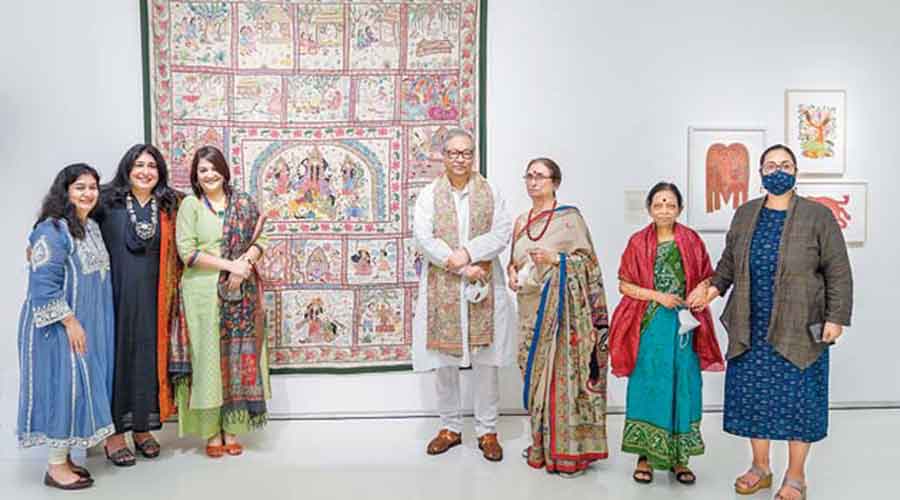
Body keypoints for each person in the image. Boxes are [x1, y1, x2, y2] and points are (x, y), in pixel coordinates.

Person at [697, 144, 853, 500]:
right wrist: (713, 289)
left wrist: (836, 318)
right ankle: (760, 467)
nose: (777, 170)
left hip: (802, 325)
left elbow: (838, 270)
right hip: (750, 324)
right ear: (761, 173)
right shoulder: (745, 213)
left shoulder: (818, 216)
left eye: (785, 164)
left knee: (801, 401)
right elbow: (729, 262)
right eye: (770, 165)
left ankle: (796, 476)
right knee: (755, 398)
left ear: (796, 172)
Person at [609, 182, 724, 485]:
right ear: (649, 208)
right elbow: (623, 284)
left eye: (670, 205)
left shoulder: (691, 240)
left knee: (683, 384)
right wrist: (658, 296)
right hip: (648, 324)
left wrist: (699, 290)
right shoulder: (637, 242)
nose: (664, 210)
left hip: (684, 326)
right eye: (658, 204)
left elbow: (707, 276)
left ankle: (679, 458)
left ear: (679, 209)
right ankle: (644, 456)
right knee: (649, 383)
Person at [412, 128, 515, 462]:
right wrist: (458, 266)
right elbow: (424, 237)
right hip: (444, 284)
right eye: (454, 153)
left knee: (486, 361)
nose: (460, 158)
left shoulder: (491, 191)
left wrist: (468, 254)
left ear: (474, 156)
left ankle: (487, 431)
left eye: (466, 152)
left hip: (484, 280)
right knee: (445, 361)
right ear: (444, 156)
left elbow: (501, 233)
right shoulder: (429, 194)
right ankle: (450, 428)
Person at [507, 158, 610, 477]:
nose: (533, 182)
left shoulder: (570, 219)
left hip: (565, 318)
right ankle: (540, 444)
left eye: (540, 176)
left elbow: (588, 264)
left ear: (555, 182)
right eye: (529, 176)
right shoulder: (521, 220)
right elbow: (515, 260)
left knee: (562, 378)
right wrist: (512, 274)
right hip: (529, 310)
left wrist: (556, 259)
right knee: (533, 377)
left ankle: (568, 451)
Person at [17, 164, 115, 490]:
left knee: (79, 390)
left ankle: (67, 458)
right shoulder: (52, 230)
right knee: (64, 388)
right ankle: (56, 467)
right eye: (79, 188)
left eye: (92, 187)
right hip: (58, 325)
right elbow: (43, 285)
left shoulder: (90, 228)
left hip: (85, 323)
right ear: (65, 192)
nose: (88, 193)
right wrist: (70, 322)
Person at [174, 146, 270, 457]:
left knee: (237, 361)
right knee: (208, 361)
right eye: (203, 170)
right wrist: (231, 267)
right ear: (195, 176)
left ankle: (233, 427)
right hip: (201, 294)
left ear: (224, 170)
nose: (209, 174)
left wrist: (245, 266)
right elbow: (187, 252)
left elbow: (261, 239)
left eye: (214, 168)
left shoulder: (242, 202)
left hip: (241, 294)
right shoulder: (190, 205)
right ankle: (210, 431)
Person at [96, 144, 182, 465]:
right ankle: (114, 434)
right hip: (112, 298)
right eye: (139, 165)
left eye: (152, 166)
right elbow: (69, 216)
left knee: (148, 358)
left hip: (154, 297)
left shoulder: (170, 204)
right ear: (127, 169)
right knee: (116, 360)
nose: (145, 171)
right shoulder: (107, 201)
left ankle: (143, 428)